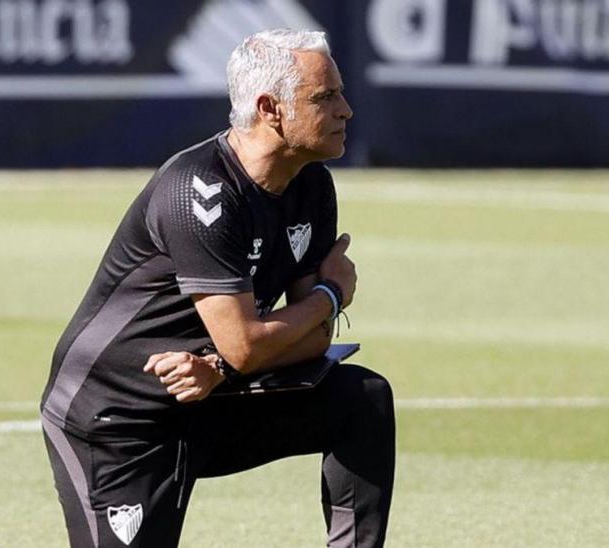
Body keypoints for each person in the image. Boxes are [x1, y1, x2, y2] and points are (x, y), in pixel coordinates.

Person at [39, 28, 395, 548]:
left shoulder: (310, 181)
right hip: (118, 420)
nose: (347, 110)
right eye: (326, 97)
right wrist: (332, 296)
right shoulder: (199, 193)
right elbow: (255, 342)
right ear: (271, 108)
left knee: (360, 399)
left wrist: (223, 365)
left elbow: (311, 341)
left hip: (210, 393)